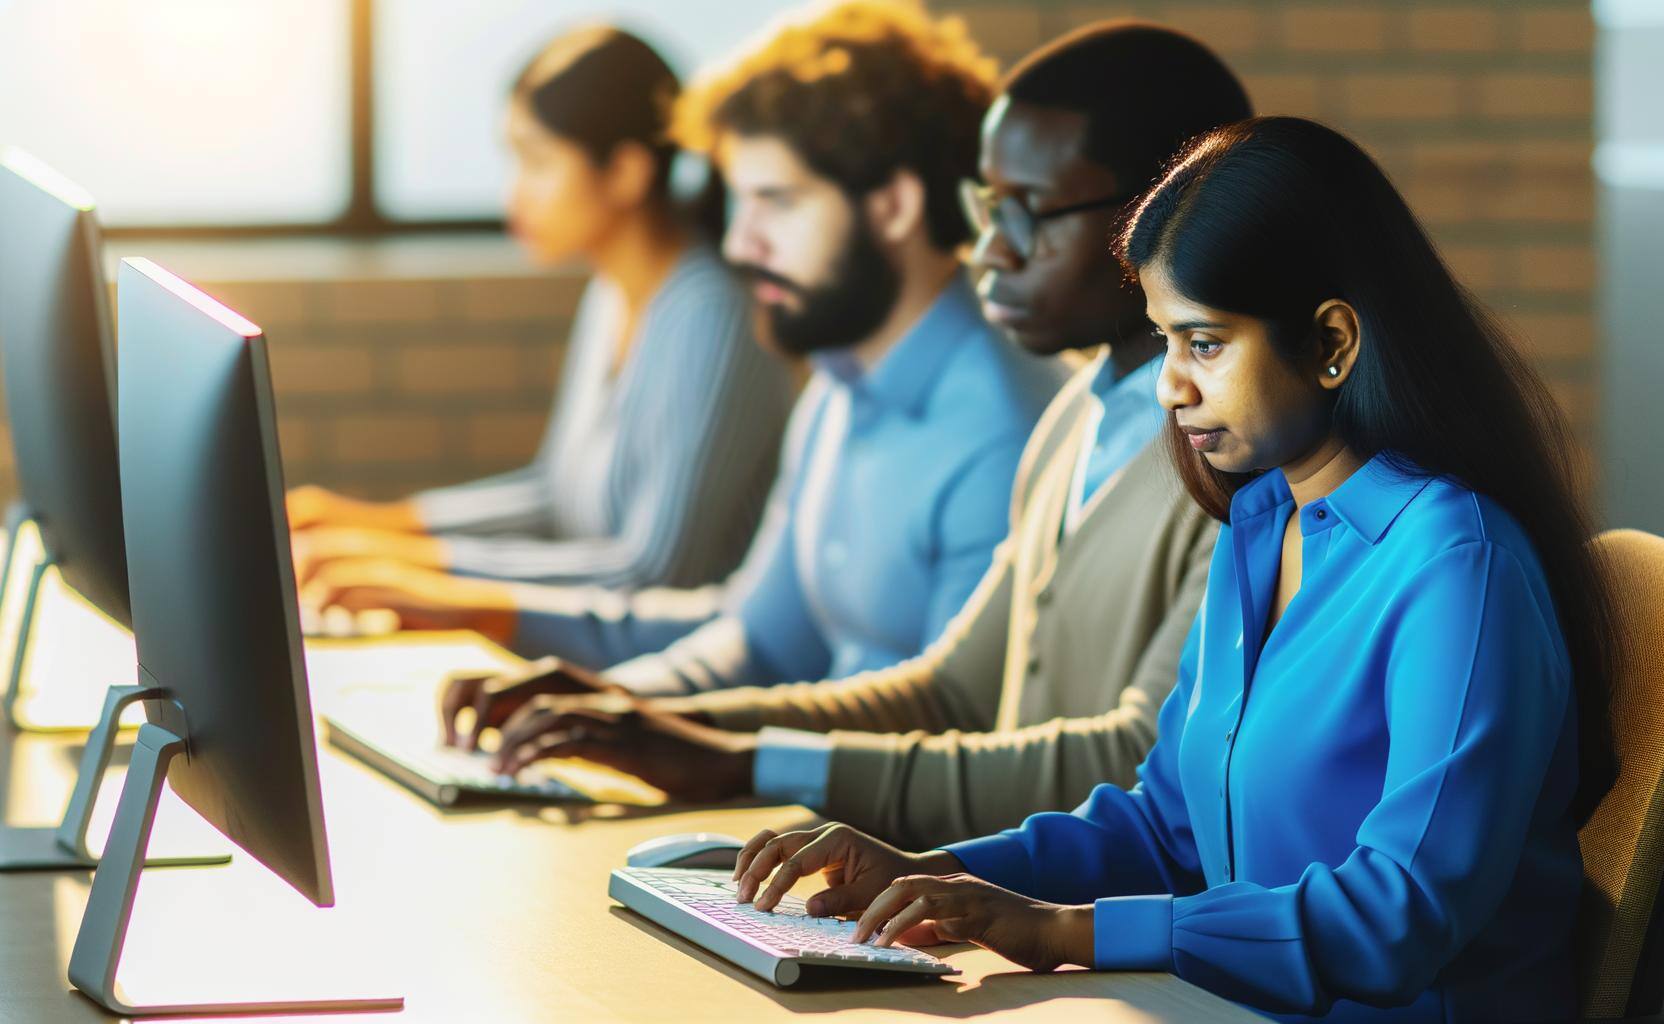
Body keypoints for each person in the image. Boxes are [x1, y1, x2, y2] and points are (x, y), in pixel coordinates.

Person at [728, 117, 1619, 1023]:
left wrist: (1064, 934)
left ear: (1331, 343)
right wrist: (939, 873)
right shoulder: (1260, 528)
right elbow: (1168, 825)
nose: (1170, 386)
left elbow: (1399, 918)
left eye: (1205, 343)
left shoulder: (1456, 564)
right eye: (1163, 341)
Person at [457, 22, 1252, 848]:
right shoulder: (1076, 416)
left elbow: (1132, 768)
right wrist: (646, 721)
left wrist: (744, 764)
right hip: (985, 897)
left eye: (1028, 212)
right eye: (989, 207)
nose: (990, 250)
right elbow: (950, 691)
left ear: (1167, 217)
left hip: (1058, 924)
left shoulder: (1222, 459)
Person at [327, 1, 1066, 697]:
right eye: (739, 202)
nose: (741, 244)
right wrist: (604, 709)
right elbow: (756, 641)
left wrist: (701, 747)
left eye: (776, 201)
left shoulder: (1005, 429)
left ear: (896, 205)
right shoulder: (841, 384)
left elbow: (947, 744)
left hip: (850, 831)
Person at [287, 26, 790, 590]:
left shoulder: (710, 316)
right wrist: (384, 526)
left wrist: (419, 570)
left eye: (538, 162)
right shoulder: (611, 292)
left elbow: (655, 571)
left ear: (626, 171)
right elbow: (558, 494)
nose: (514, 196)